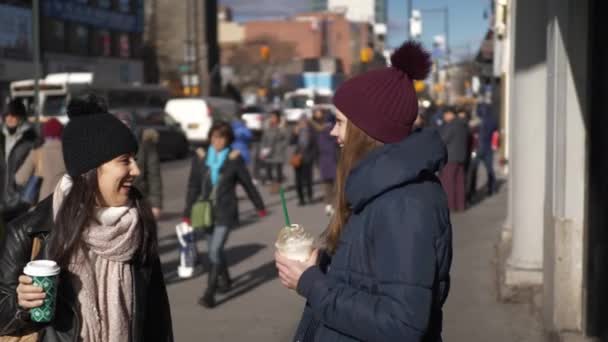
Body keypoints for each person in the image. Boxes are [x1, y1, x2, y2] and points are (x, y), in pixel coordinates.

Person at [275, 41, 452, 341]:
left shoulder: (405, 203)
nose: (332, 131)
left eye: (341, 122)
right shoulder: (380, 189)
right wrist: (322, 267)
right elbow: (369, 277)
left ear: (366, 132)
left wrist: (312, 284)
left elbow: (402, 325)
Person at [0, 95, 173, 341]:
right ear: (90, 170)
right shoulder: (29, 231)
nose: (136, 170)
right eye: (125, 160)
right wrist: (21, 304)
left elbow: (157, 321)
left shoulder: (137, 225)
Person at [183, 121, 266, 308]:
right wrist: (187, 212)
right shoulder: (200, 157)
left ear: (228, 140)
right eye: (214, 137)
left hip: (226, 211)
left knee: (214, 250)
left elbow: (248, 184)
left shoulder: (234, 159)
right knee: (216, 250)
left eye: (221, 138)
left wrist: (259, 206)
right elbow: (193, 186)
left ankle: (209, 293)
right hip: (205, 212)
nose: (217, 141)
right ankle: (226, 280)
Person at [114, 111, 163, 220]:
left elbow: (154, 175)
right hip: (115, 200)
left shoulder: (144, 145)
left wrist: (156, 204)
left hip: (139, 198)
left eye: (126, 126)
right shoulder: (108, 146)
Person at [0, 99, 38, 222]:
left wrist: (27, 198)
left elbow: (36, 172)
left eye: (13, 115)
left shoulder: (30, 140)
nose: (9, 118)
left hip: (19, 202)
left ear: (20, 117)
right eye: (7, 115)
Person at [15, 118, 66, 204]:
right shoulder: (69, 154)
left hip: (42, 206)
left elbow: (20, 179)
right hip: (65, 203)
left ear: (45, 134)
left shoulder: (37, 154)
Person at [439, 106, 469, 212]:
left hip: (450, 157)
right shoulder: (463, 124)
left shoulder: (451, 125)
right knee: (460, 182)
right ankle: (461, 205)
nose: (444, 117)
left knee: (448, 182)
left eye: (445, 114)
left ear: (450, 114)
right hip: (461, 157)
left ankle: (451, 205)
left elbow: (443, 140)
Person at [311, 108, 338, 216]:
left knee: (328, 184)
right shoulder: (332, 130)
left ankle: (328, 204)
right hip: (332, 160)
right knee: (335, 184)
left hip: (325, 160)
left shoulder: (321, 131)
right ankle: (333, 205)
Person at [471, 101, 498, 196]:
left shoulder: (478, 121)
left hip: (478, 148)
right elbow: (495, 133)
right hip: (488, 147)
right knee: (489, 169)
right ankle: (492, 188)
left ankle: (472, 190)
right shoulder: (492, 120)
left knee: (473, 169)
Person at [259, 111, 289, 193]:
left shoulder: (282, 127)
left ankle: (277, 187)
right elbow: (263, 139)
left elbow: (286, 139)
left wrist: (281, 147)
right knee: (269, 171)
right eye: (271, 117)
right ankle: (272, 186)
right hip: (268, 152)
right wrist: (263, 150)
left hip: (278, 152)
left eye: (274, 117)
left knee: (278, 171)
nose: (272, 119)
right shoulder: (267, 127)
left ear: (278, 118)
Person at [291, 116, 318, 206]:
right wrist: (294, 134)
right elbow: (291, 143)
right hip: (297, 159)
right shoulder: (296, 132)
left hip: (307, 159)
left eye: (303, 122)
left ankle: (310, 197)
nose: (302, 124)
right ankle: (301, 199)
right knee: (298, 180)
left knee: (308, 179)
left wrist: (311, 157)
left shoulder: (311, 132)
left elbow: (315, 146)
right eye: (300, 122)